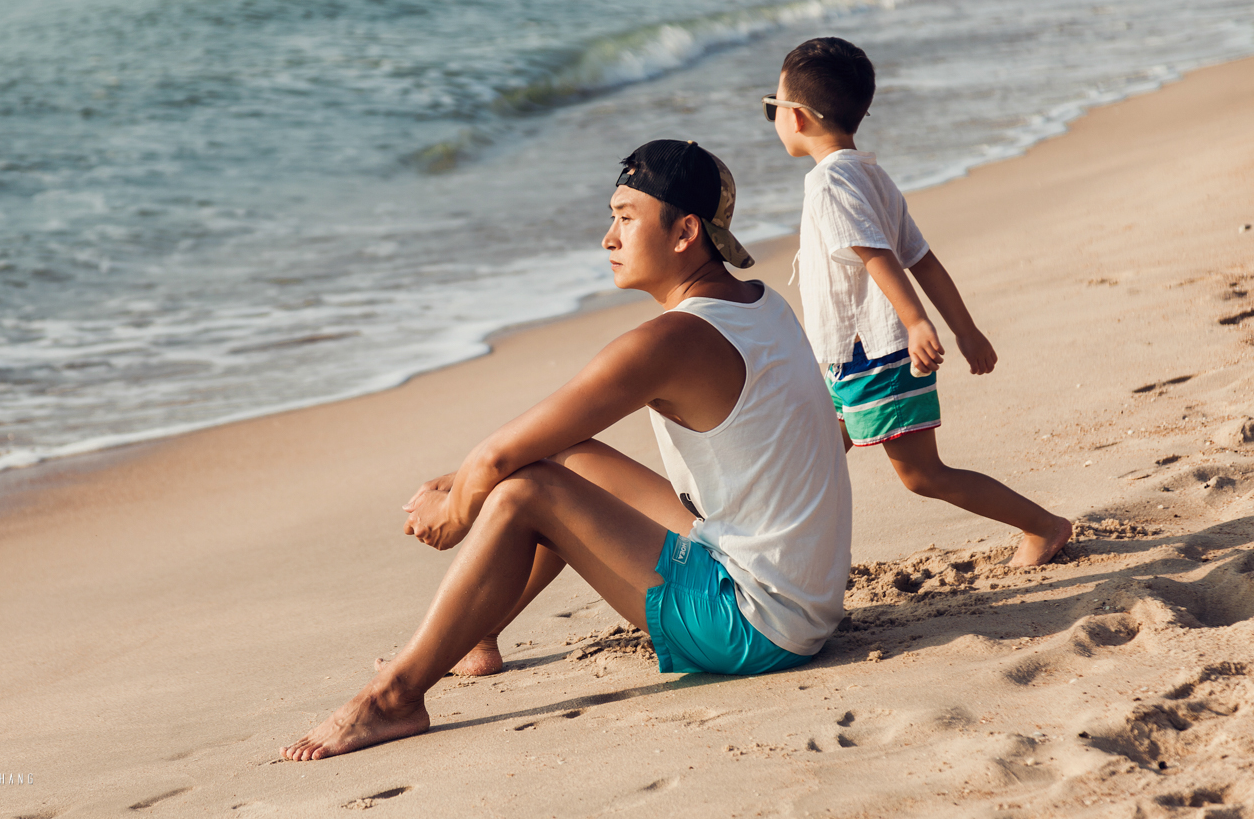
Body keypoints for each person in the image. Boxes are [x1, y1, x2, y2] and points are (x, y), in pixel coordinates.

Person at [280, 139, 852, 761]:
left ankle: (395, 697)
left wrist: (459, 508)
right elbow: (537, 442)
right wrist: (461, 477)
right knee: (565, 458)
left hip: (756, 626)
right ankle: (479, 632)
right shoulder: (760, 303)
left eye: (626, 218)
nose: (608, 238)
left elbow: (503, 464)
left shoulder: (670, 341)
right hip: (798, 594)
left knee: (526, 493)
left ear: (686, 231)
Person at [765, 37, 1073, 568]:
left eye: (771, 106)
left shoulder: (829, 182)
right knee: (813, 454)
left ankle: (1044, 526)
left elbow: (879, 256)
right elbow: (923, 259)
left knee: (921, 475)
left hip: (877, 356)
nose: (772, 117)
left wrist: (915, 322)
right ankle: (779, 558)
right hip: (849, 355)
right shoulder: (868, 173)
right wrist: (965, 329)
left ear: (796, 117)